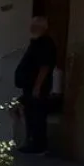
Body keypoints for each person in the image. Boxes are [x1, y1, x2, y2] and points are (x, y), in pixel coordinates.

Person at [14, 16, 56, 154]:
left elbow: (44, 67)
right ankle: (32, 142)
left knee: (37, 115)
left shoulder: (45, 44)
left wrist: (37, 86)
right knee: (31, 114)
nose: (31, 28)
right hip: (30, 86)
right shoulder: (37, 42)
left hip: (37, 87)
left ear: (42, 28)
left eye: (34, 26)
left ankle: (38, 145)